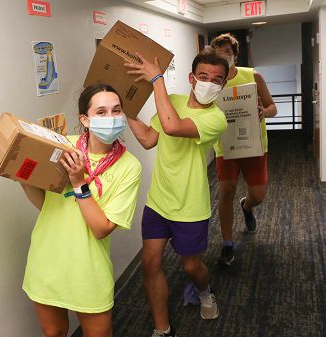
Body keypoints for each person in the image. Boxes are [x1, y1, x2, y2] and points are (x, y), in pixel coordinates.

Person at [20, 84, 141, 337]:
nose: (111, 118)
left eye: (116, 111)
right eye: (101, 112)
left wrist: (78, 183)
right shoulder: (64, 146)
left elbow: (101, 229)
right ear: (85, 120)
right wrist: (25, 178)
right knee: (53, 333)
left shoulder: (129, 167)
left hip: (88, 269)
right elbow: (47, 205)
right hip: (47, 260)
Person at [124, 49, 229, 337]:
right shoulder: (175, 102)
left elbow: (172, 126)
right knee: (150, 263)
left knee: (191, 265)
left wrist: (157, 79)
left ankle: (205, 291)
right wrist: (125, 110)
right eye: (204, 76)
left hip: (190, 206)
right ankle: (163, 329)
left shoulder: (217, 119)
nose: (209, 83)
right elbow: (149, 139)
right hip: (158, 201)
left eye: (217, 80)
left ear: (223, 85)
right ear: (192, 78)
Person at [210, 33, 277, 267]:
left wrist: (263, 111)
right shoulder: (211, 82)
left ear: (235, 55)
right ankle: (227, 245)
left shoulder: (252, 76)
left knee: (258, 195)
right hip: (225, 146)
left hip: (254, 144)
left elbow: (273, 108)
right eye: (218, 53)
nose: (223, 56)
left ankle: (246, 206)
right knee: (226, 191)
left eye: (227, 52)